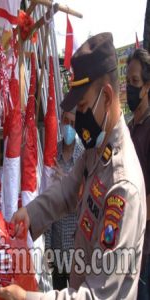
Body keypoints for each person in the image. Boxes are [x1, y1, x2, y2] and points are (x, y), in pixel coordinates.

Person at [0, 32, 146, 299]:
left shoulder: (123, 186)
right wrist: (31, 213)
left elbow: (96, 296)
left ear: (107, 97)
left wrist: (27, 298)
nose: (78, 119)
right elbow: (67, 190)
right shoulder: (97, 151)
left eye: (84, 106)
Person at [45, 109, 84, 290]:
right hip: (57, 246)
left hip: (76, 249)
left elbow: (86, 204)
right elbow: (47, 203)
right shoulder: (52, 155)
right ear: (60, 121)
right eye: (66, 121)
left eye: (73, 123)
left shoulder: (84, 157)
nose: (69, 126)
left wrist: (66, 182)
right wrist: (47, 248)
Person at [126, 48, 150, 300]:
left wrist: (129, 214)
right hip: (128, 246)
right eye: (127, 82)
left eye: (134, 82)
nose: (129, 88)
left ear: (147, 87)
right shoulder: (129, 128)